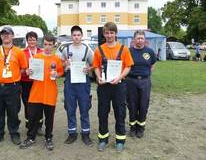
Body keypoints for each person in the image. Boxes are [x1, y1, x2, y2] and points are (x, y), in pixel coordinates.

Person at [92, 22, 134, 152]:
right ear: (104, 34)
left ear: (116, 34)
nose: (109, 35)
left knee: (120, 113)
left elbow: (128, 66)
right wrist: (98, 76)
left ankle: (120, 140)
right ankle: (103, 139)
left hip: (119, 86)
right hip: (104, 87)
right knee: (102, 113)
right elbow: (96, 67)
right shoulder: (99, 50)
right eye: (107, 33)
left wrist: (120, 77)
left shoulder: (124, 49)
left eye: (111, 32)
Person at [20, 34, 64, 151]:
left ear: (54, 45)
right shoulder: (36, 57)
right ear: (42, 44)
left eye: (50, 44)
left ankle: (48, 137)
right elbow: (31, 72)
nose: (48, 47)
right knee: (33, 116)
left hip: (50, 92)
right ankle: (31, 137)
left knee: (49, 117)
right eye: (45, 44)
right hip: (36, 92)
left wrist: (57, 74)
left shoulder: (56, 59)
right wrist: (29, 72)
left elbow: (60, 72)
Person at [0, 26, 27, 145]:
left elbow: (23, 68)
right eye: (3, 34)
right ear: (1, 36)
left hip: (12, 87)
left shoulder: (19, 52)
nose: (6, 36)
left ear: (13, 36)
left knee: (13, 111)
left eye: (8, 34)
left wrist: (13, 76)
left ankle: (14, 133)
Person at [61, 25, 93, 146]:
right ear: (71, 36)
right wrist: (65, 64)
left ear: (81, 36)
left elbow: (94, 64)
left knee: (84, 108)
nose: (76, 37)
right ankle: (72, 133)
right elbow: (61, 64)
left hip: (83, 82)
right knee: (70, 108)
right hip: (70, 82)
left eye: (78, 35)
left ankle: (86, 134)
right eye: (74, 35)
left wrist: (88, 68)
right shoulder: (66, 49)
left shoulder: (87, 49)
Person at [126, 30, 157, 138]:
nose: (140, 40)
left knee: (143, 105)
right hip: (131, 81)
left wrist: (146, 74)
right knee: (132, 105)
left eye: (142, 38)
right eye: (138, 38)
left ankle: (141, 128)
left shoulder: (149, 51)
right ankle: (133, 128)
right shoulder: (128, 51)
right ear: (134, 39)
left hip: (145, 81)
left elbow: (153, 64)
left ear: (145, 39)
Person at [20, 31, 43, 134]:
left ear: (36, 40)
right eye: (30, 39)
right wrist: (25, 71)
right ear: (27, 40)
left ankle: (38, 126)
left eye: (34, 39)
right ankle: (29, 125)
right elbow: (18, 69)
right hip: (26, 82)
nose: (32, 41)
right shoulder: (22, 53)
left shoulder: (41, 52)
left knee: (39, 104)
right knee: (28, 105)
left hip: (39, 83)